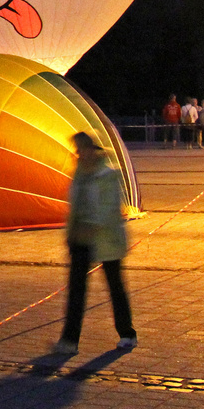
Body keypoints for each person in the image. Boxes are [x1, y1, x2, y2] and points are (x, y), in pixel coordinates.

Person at [56, 131, 136, 354]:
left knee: (115, 287)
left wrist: (89, 226)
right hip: (80, 239)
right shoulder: (78, 175)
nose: (79, 154)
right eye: (77, 150)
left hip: (105, 238)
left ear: (92, 150)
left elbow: (109, 208)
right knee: (76, 290)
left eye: (81, 149)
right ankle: (69, 340)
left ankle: (127, 333)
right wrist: (71, 232)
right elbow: (74, 206)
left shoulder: (108, 175)